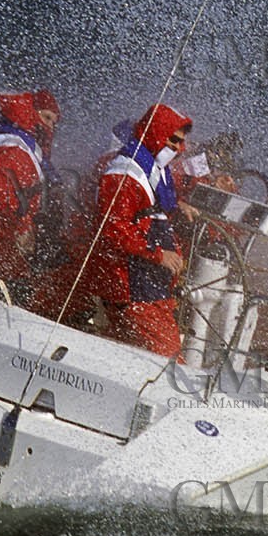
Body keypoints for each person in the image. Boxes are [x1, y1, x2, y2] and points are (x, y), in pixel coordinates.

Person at [88, 103, 194, 359]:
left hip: (150, 289)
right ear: (156, 134)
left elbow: (145, 208)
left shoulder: (152, 170)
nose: (180, 149)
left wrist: (177, 206)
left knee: (126, 356)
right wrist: (159, 255)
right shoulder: (125, 172)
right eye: (174, 141)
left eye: (181, 143)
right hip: (135, 290)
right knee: (169, 364)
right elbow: (113, 229)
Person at [0, 89, 60, 295]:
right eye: (46, 118)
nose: (50, 127)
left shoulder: (6, 141)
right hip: (4, 242)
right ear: (32, 113)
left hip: (1, 238)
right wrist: (22, 229)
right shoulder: (12, 149)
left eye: (54, 122)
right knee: (20, 293)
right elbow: (0, 198)